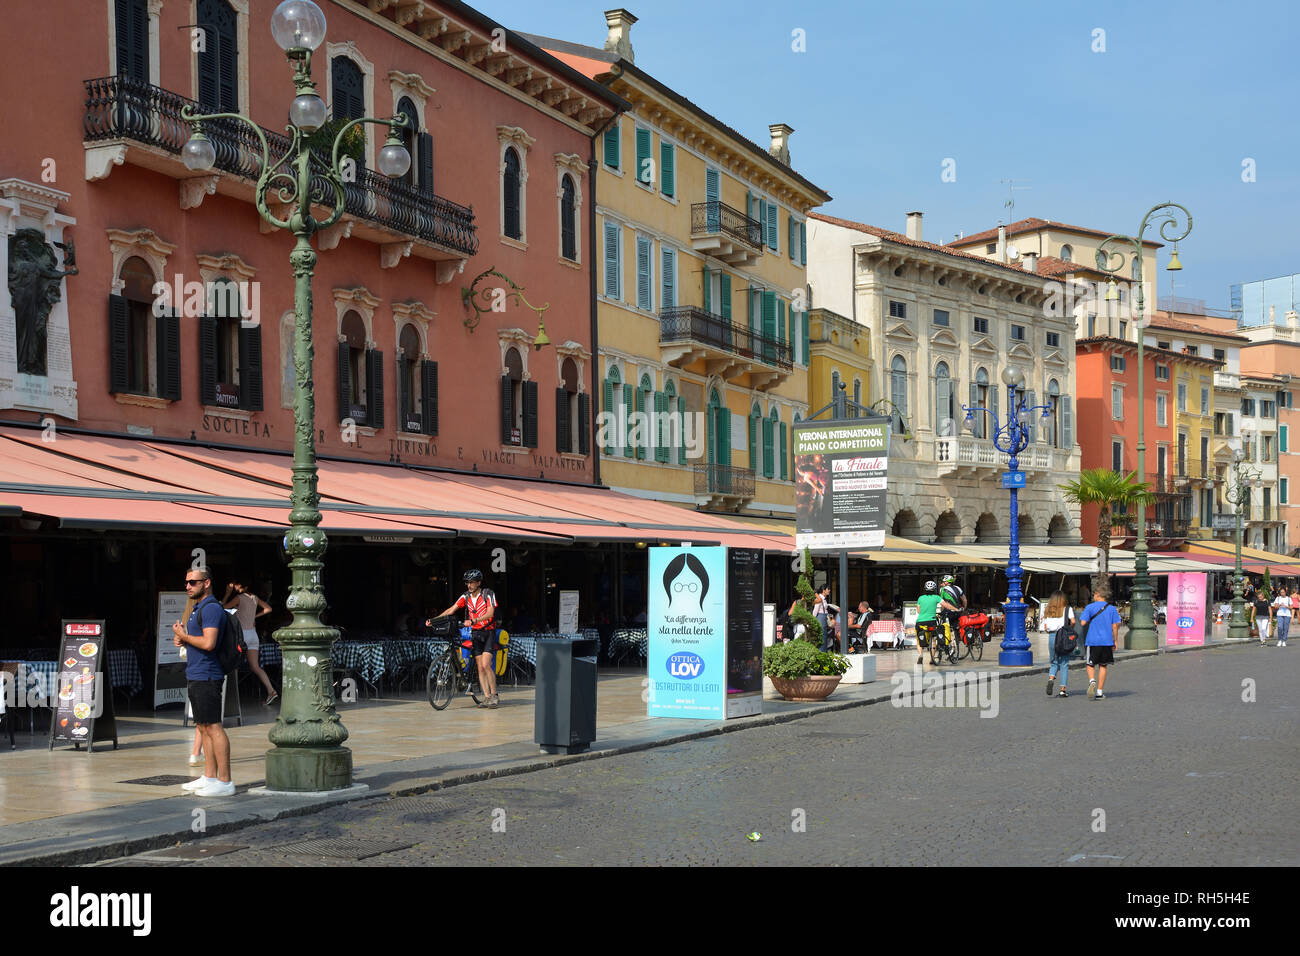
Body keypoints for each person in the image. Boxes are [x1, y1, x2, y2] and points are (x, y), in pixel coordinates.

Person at [173, 568, 235, 796]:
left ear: (206, 583)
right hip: (196, 673)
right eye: (186, 582)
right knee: (202, 727)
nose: (188, 586)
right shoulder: (197, 608)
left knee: (214, 727)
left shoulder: (210, 608)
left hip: (208, 674)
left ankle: (226, 781)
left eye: (193, 582)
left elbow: (209, 643)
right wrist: (183, 639)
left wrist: (185, 636)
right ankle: (210, 777)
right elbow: (197, 640)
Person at [429, 570, 500, 708]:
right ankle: (486, 698)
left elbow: (490, 612)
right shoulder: (465, 597)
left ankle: (494, 695)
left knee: (486, 665)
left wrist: (474, 620)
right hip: (475, 634)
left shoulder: (488, 593)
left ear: (478, 583)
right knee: (480, 667)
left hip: (488, 632)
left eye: (472, 582)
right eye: (467, 582)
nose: (469, 585)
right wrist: (434, 620)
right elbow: (452, 609)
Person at [223, 579, 276, 705]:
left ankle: (231, 696)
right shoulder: (254, 598)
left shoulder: (239, 597)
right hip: (253, 634)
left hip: (242, 635)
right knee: (255, 666)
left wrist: (227, 593)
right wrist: (254, 617)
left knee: (232, 664)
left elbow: (222, 607)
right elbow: (268, 608)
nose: (234, 586)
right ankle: (271, 690)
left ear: (243, 586)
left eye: (236, 584)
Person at [1079, 584, 1121, 701]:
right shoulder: (1112, 609)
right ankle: (1099, 692)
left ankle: (1092, 680)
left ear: (1097, 595)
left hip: (1092, 640)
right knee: (1103, 665)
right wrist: (1115, 640)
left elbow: (1082, 623)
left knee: (1090, 664)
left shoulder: (1090, 607)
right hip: (1107, 641)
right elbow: (1115, 626)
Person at [1041, 590, 1076, 698]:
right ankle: (1062, 690)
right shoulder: (1068, 609)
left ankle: (1051, 678)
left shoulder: (1048, 610)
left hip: (1052, 637)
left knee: (1054, 661)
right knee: (1064, 663)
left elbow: (1045, 627)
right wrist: (1070, 629)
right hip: (1063, 636)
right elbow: (1073, 621)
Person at [915, 580, 942, 665]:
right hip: (932, 621)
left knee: (919, 639)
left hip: (920, 621)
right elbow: (944, 605)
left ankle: (920, 655)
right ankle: (932, 658)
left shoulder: (920, 598)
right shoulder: (936, 597)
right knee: (933, 639)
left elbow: (918, 611)